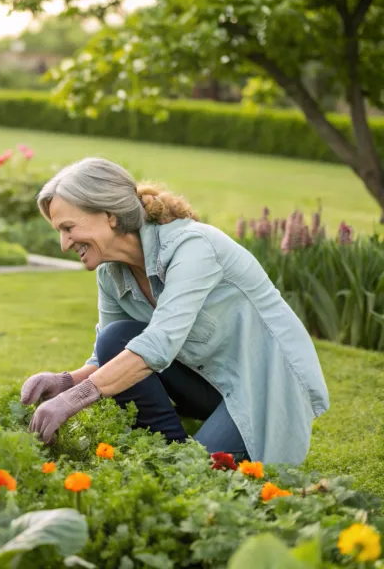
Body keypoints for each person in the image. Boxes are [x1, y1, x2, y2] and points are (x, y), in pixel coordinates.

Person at [20, 157, 329, 465]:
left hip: (266, 386)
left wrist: (74, 400)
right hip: (210, 382)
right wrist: (65, 382)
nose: (64, 244)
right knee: (115, 339)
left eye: (68, 228)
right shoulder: (110, 272)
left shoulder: (193, 247)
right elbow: (107, 359)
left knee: (197, 471)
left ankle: (181, 461)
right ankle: (169, 450)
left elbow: (160, 343)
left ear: (109, 215)